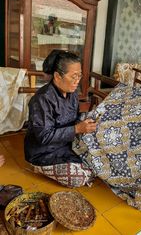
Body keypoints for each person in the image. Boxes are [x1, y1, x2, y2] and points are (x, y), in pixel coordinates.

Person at [24, 49, 96, 187]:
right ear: (57, 76)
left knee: (99, 157)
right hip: (43, 152)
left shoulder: (72, 93)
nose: (77, 81)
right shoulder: (42, 99)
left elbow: (73, 118)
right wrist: (77, 128)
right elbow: (44, 137)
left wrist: (86, 119)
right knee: (79, 178)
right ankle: (38, 167)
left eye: (79, 76)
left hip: (65, 144)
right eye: (73, 76)